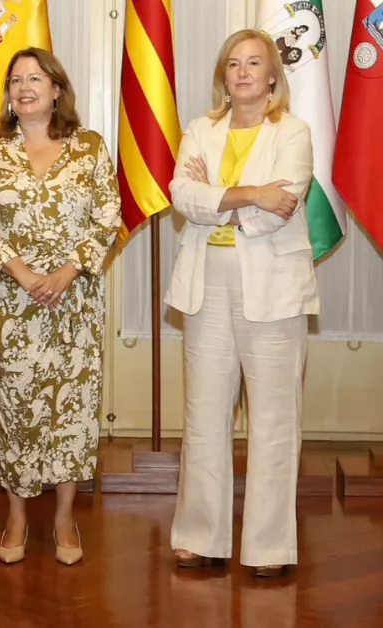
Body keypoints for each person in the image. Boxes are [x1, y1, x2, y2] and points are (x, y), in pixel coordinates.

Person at [0, 47, 120, 567]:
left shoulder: (90, 148)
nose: (24, 87)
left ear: (57, 89)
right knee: (16, 410)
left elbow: (107, 219)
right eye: (16, 80)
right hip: (11, 303)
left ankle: (64, 517)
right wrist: (27, 275)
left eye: (36, 78)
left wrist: (67, 270)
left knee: (72, 411)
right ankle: (17, 515)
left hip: (74, 302)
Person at [167, 28, 317, 578]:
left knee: (275, 420)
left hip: (274, 290)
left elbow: (283, 204)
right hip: (207, 285)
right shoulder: (199, 130)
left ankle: (270, 547)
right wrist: (251, 193)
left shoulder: (294, 132)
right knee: (204, 417)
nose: (245, 71)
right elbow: (183, 196)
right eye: (234, 64)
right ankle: (201, 537)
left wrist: (221, 199)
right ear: (224, 77)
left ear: (273, 76)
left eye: (255, 63)